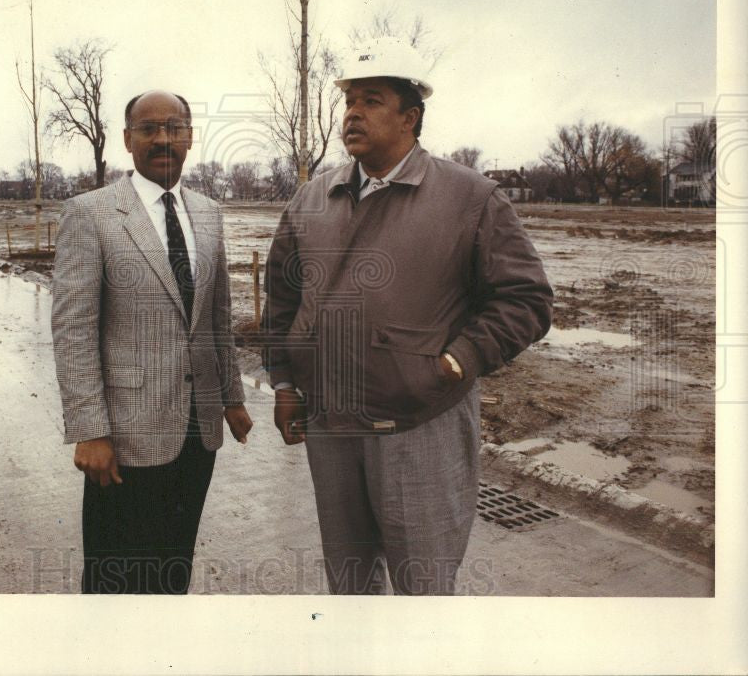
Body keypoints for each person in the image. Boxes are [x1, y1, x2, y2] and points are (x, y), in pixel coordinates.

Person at [262, 38, 553, 595]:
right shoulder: (310, 200)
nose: (352, 113)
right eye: (348, 101)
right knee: (349, 586)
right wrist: (283, 382)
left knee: (423, 590)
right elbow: (281, 302)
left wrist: (453, 361)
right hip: (331, 427)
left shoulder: (470, 197)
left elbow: (527, 299)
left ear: (410, 118)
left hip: (419, 426)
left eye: (370, 101)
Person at [51, 89, 252, 594]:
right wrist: (89, 429)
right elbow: (72, 328)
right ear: (127, 140)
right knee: (114, 575)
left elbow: (217, 316)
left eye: (174, 127)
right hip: (124, 438)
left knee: (172, 567)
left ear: (189, 137)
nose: (162, 138)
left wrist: (232, 397)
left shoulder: (207, 214)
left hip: (195, 433)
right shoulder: (91, 214)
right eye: (148, 129)